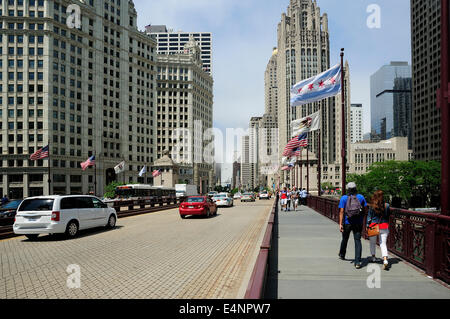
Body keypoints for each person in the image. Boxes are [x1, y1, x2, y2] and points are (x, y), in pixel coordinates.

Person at [338, 182, 368, 269]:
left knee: (345, 238)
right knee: (357, 240)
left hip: (347, 222)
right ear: (356, 188)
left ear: (348, 189)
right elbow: (366, 209)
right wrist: (362, 217)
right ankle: (358, 262)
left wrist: (340, 224)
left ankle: (342, 254)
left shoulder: (344, 198)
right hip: (358, 222)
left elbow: (341, 211)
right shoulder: (361, 197)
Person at [367, 190, 391, 270]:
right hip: (384, 226)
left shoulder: (372, 205)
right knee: (383, 244)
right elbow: (387, 216)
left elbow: (369, 217)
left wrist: (367, 225)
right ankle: (385, 260)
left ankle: (373, 257)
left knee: (372, 243)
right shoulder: (387, 205)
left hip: (373, 226)